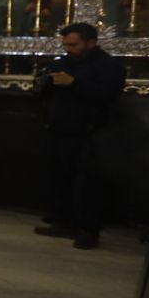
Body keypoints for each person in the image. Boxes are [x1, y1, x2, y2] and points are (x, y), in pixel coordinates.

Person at [34, 23, 126, 249]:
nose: (68, 49)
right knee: (60, 177)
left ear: (91, 42)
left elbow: (106, 94)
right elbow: (42, 90)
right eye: (65, 45)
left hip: (90, 132)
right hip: (60, 130)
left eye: (73, 45)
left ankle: (88, 230)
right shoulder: (62, 63)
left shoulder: (110, 66)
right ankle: (64, 222)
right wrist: (43, 81)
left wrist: (74, 83)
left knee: (88, 183)